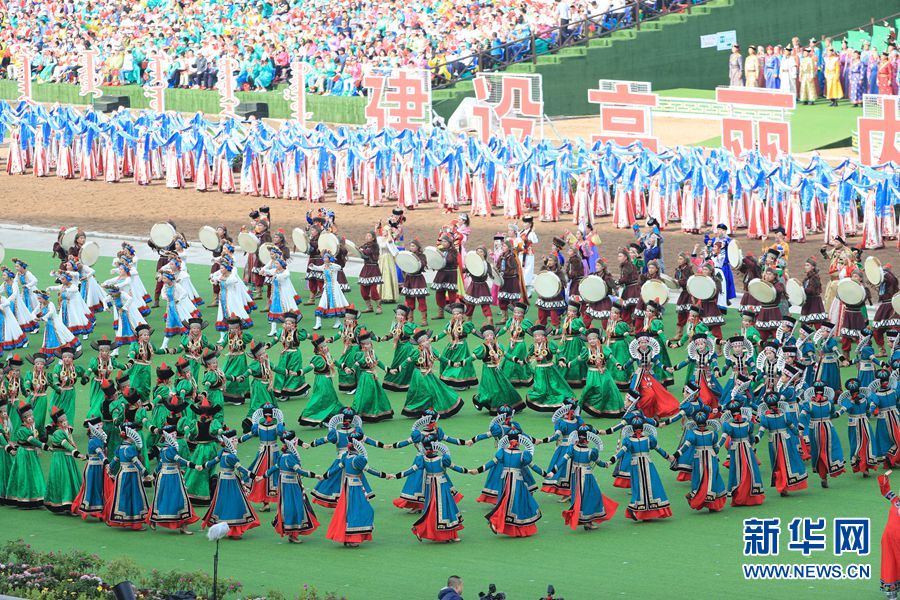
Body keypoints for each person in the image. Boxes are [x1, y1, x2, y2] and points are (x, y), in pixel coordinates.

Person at [877, 471, 900, 598]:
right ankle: (892, 592)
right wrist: (884, 478)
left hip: (897, 540)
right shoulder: (896, 501)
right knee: (890, 564)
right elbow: (885, 491)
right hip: (889, 539)